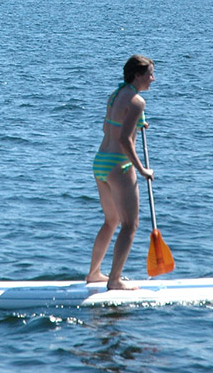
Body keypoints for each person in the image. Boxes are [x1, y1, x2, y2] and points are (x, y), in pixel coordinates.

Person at [87, 54, 156, 289]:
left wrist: (139, 123)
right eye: (149, 74)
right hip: (119, 165)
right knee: (130, 225)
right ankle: (114, 281)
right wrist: (142, 169)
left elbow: (113, 123)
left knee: (111, 221)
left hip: (100, 162)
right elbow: (126, 140)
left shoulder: (116, 94)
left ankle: (94, 273)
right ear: (137, 75)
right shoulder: (137, 102)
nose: (153, 79)